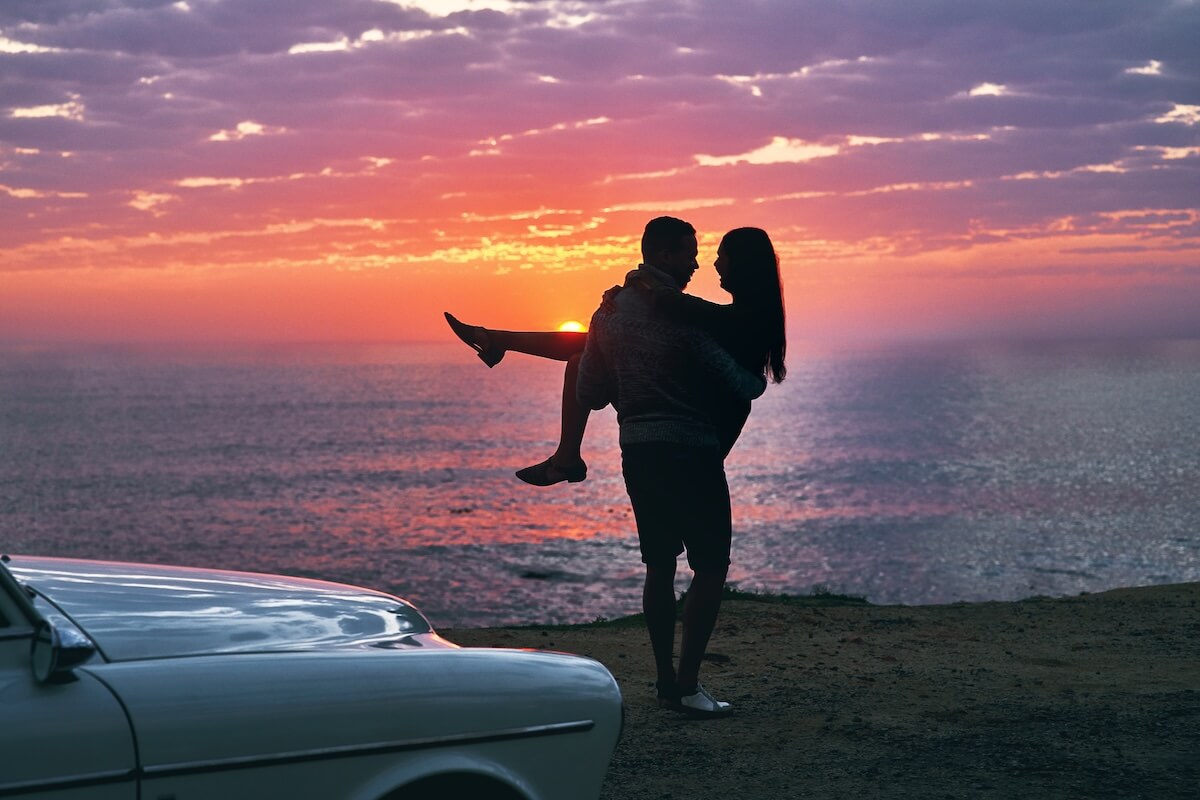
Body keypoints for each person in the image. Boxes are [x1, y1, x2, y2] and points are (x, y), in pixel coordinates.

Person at [575, 216, 776, 717]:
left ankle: (665, 681)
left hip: (637, 451)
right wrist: (751, 380)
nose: (696, 263)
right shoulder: (682, 317)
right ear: (662, 256)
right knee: (710, 566)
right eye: (688, 254)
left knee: (658, 565)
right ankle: (686, 686)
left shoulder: (608, 310)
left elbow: (591, 393)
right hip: (691, 448)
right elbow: (743, 385)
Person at [443, 226, 786, 483]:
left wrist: (636, 282)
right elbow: (684, 309)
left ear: (740, 264)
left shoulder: (741, 318)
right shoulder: (750, 314)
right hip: (689, 409)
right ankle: (499, 343)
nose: (710, 263)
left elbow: (676, 304)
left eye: (720, 255)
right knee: (588, 349)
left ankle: (499, 344)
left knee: (592, 346)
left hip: (695, 420)